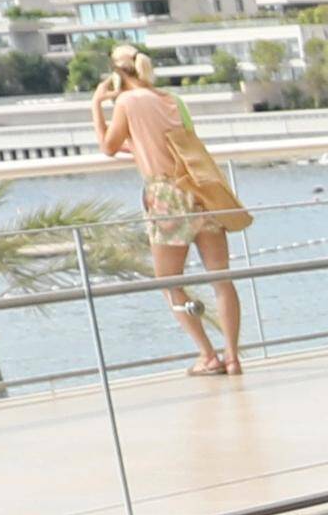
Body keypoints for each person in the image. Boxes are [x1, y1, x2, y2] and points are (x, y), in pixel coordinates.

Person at [94, 46, 255, 375]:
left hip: (166, 196)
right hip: (199, 190)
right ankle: (233, 357)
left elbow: (108, 146)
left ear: (117, 75)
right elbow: (178, 145)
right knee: (220, 277)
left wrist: (96, 106)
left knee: (168, 280)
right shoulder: (172, 100)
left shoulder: (126, 102)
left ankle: (208, 355)